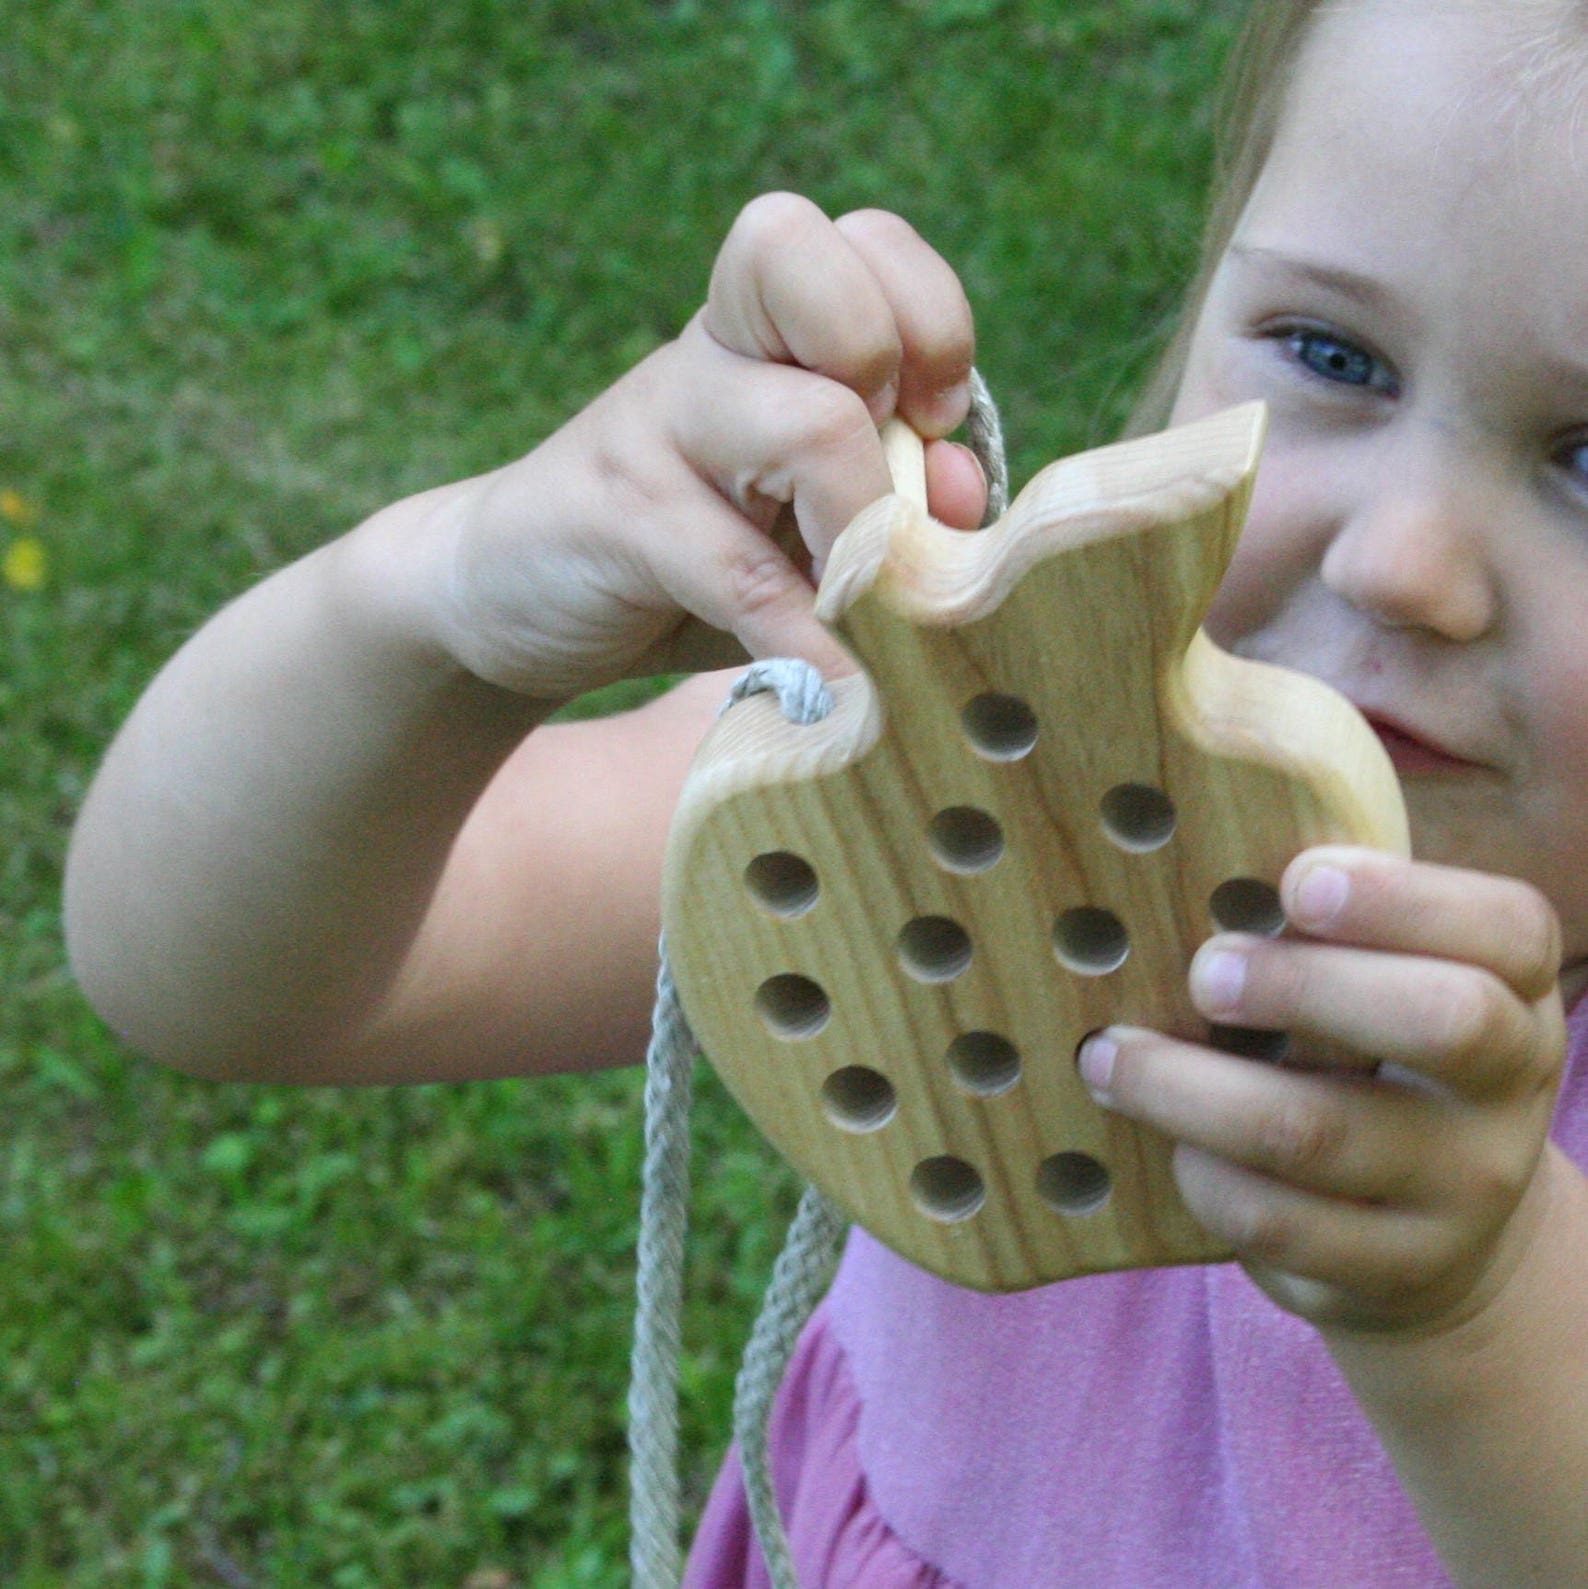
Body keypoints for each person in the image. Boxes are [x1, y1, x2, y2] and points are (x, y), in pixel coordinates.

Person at [62, 0, 1588, 1582]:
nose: (1400, 562)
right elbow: (218, 983)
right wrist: (443, 596)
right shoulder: (975, 783)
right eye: (1334, 354)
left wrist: (1482, 1301)